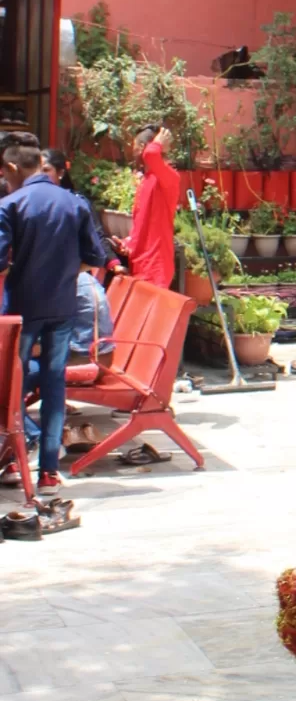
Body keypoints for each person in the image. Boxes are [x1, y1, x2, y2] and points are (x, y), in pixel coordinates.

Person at [0, 141, 102, 490]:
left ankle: (14, 461)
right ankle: (47, 472)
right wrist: (65, 273)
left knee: (11, 382)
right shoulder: (75, 203)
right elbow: (95, 257)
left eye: (3, 173)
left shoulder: (10, 205)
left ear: (13, 169)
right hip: (62, 308)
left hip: (21, 311)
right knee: (54, 385)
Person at [125, 125, 180, 287]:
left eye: (136, 146)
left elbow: (151, 155)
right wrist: (127, 243)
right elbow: (141, 224)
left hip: (155, 268)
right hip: (140, 264)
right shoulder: (147, 180)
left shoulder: (169, 177)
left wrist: (158, 143)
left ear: (143, 147)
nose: (133, 151)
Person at [41, 148, 108, 269]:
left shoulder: (77, 203)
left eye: (46, 170)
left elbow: (96, 239)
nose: (40, 175)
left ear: (61, 173)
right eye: (37, 171)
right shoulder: (27, 202)